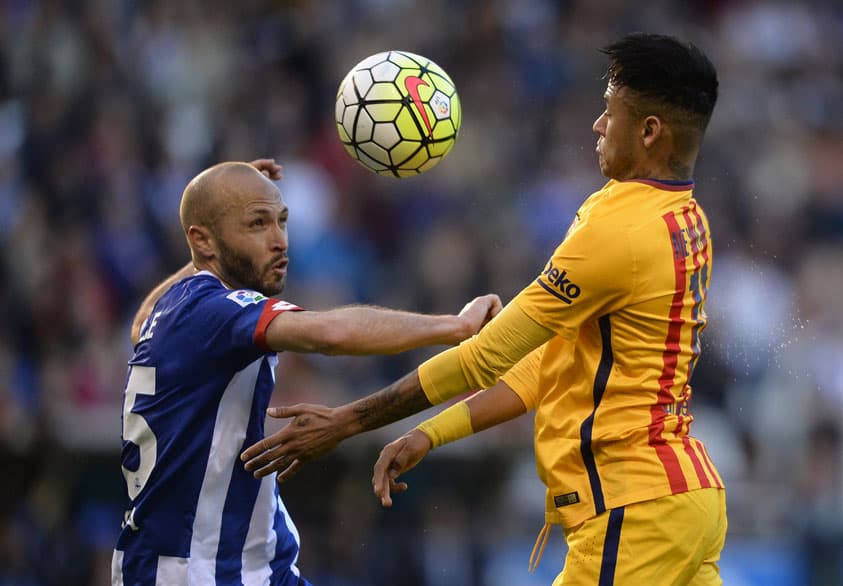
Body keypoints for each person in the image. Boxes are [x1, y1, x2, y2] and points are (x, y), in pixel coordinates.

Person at [241, 33, 727, 585]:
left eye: (609, 111)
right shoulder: (684, 218)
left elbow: (484, 357)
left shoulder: (619, 233)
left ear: (648, 131)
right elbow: (547, 366)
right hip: (685, 502)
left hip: (634, 510)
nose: (597, 124)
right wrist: (430, 433)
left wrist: (348, 420)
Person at [111, 158, 502, 585]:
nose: (280, 241)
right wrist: (454, 325)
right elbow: (329, 335)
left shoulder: (171, 308)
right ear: (203, 241)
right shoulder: (215, 311)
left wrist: (215, 232)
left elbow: (140, 321)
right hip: (200, 573)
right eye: (257, 224)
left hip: (251, 569)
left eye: (281, 221)